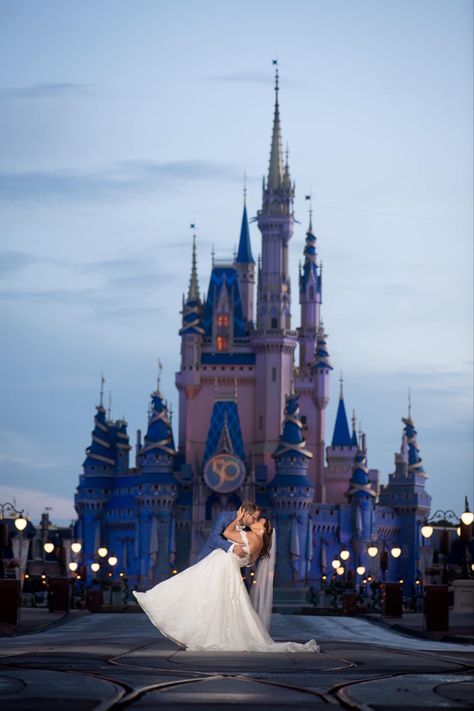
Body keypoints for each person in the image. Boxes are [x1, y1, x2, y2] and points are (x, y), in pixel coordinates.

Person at [133, 506, 319, 653]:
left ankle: (164, 608)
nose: (254, 522)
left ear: (263, 529)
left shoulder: (253, 537)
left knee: (191, 590)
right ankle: (196, 630)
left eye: (257, 521)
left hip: (222, 567)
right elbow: (221, 540)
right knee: (212, 602)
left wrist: (237, 520)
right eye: (253, 518)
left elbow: (227, 534)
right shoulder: (255, 538)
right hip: (223, 568)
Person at [196, 500, 260, 563]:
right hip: (209, 560)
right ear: (246, 514)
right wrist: (232, 547)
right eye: (254, 518)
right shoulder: (224, 517)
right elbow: (214, 538)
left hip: (230, 565)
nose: (255, 521)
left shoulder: (249, 528)